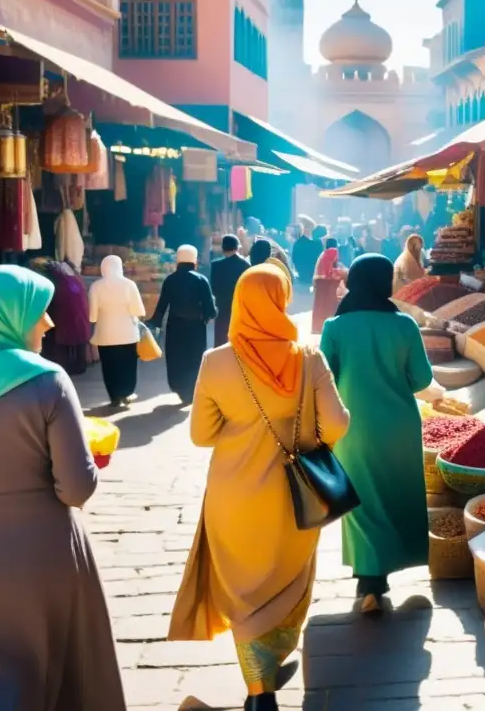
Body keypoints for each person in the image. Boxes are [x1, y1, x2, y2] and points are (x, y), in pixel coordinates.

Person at [0, 265, 125, 710]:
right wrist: (93, 459)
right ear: (5, 315)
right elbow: (76, 489)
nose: (50, 322)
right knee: (58, 681)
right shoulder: (47, 380)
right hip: (43, 553)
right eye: (39, 312)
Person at [169, 263, 349, 711]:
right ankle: (264, 679)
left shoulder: (216, 362)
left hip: (233, 497)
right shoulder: (308, 357)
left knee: (243, 592)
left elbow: (200, 435)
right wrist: (304, 433)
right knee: (286, 582)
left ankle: (259, 690)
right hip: (294, 498)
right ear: (281, 299)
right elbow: (338, 425)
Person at [320, 255, 433, 614]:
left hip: (354, 427)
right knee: (399, 493)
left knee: (363, 501)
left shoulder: (335, 327)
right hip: (399, 426)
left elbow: (324, 379)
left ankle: (369, 582)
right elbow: (422, 379)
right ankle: (387, 570)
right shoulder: (405, 325)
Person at [150, 245, 217, 405]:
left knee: (176, 358)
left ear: (177, 260)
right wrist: (210, 314)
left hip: (174, 327)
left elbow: (162, 306)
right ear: (194, 260)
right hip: (196, 328)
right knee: (194, 358)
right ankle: (190, 391)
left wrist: (154, 324)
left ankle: (179, 387)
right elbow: (209, 309)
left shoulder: (170, 280)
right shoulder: (201, 280)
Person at [89, 255, 147, 406]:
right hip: (128, 333)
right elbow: (138, 310)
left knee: (109, 366)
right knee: (128, 365)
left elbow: (93, 317)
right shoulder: (129, 285)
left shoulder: (96, 286)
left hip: (105, 334)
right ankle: (126, 393)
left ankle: (114, 396)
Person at [212, 234, 251, 347]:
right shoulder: (245, 265)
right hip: (239, 306)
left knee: (220, 339)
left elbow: (213, 287)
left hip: (221, 306)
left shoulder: (216, 266)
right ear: (237, 247)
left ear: (223, 248)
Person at [311, 239, 347, 334]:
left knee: (320, 305)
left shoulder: (323, 254)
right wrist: (343, 273)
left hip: (320, 283)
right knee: (329, 306)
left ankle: (318, 328)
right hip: (327, 283)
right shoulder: (333, 251)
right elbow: (331, 271)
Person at [291, 218, 320, 285]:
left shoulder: (298, 243)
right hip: (311, 277)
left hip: (302, 277)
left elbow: (294, 259)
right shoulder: (317, 243)